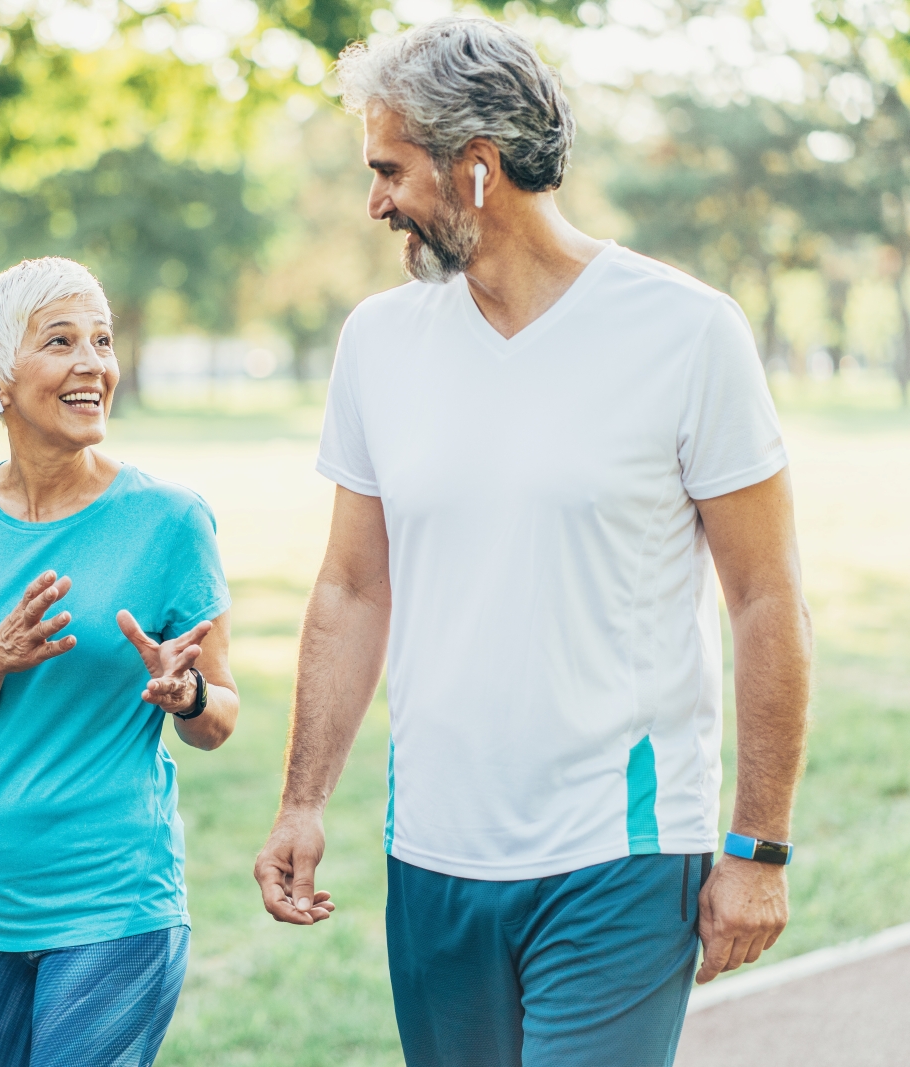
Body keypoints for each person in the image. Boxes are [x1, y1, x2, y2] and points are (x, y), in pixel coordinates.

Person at [253, 18, 811, 1067]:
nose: (372, 202)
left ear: (475, 168)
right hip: (432, 851)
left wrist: (757, 845)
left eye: (388, 169)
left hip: (620, 851)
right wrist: (300, 798)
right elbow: (350, 586)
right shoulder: (378, 342)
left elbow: (765, 597)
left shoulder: (686, 331)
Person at [0, 257, 238, 1067]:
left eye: (103, 340)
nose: (94, 364)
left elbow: (220, 717)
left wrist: (185, 693)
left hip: (116, 899)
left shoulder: (171, 521)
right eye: (60, 341)